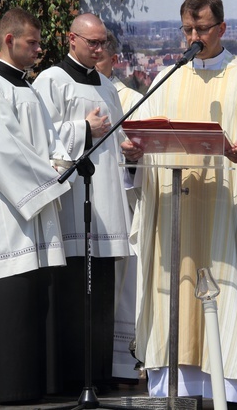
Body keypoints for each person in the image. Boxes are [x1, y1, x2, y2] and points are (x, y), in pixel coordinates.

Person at [122, 0, 237, 409]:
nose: (194, 38)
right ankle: (176, 387)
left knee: (227, 295)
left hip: (226, 213)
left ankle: (231, 390)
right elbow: (146, 134)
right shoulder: (169, 77)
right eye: (188, 30)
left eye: (202, 30)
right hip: (173, 211)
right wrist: (134, 154)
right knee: (172, 296)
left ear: (222, 29)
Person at [0, 7, 71, 404]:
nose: (39, 49)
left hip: (31, 206)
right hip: (7, 212)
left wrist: (59, 163)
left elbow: (49, 140)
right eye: (32, 42)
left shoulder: (27, 88)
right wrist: (47, 179)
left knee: (33, 296)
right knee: (10, 295)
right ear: (9, 40)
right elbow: (0, 151)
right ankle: (6, 385)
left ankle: (31, 383)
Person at [32, 13, 132, 392]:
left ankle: (99, 373)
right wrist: (83, 130)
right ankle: (70, 377)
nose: (100, 48)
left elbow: (117, 136)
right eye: (92, 42)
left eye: (103, 41)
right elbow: (40, 139)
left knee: (101, 291)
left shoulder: (107, 84)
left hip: (105, 199)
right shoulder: (51, 81)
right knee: (73, 291)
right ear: (71, 39)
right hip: (73, 203)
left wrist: (129, 146)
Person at [95, 29, 144, 381]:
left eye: (101, 56)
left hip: (123, 203)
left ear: (114, 60)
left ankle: (123, 362)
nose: (93, 61)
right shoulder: (71, 86)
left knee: (124, 285)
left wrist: (132, 158)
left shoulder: (131, 98)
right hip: (89, 202)